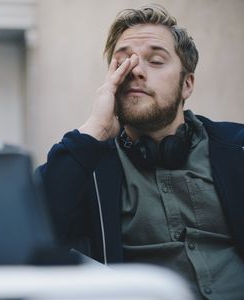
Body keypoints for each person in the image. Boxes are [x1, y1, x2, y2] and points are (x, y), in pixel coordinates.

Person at [36, 4, 244, 299]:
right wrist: (94, 129)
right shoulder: (89, 165)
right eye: (123, 63)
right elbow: (32, 231)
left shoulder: (237, 148)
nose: (135, 71)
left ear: (187, 84)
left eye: (156, 61)